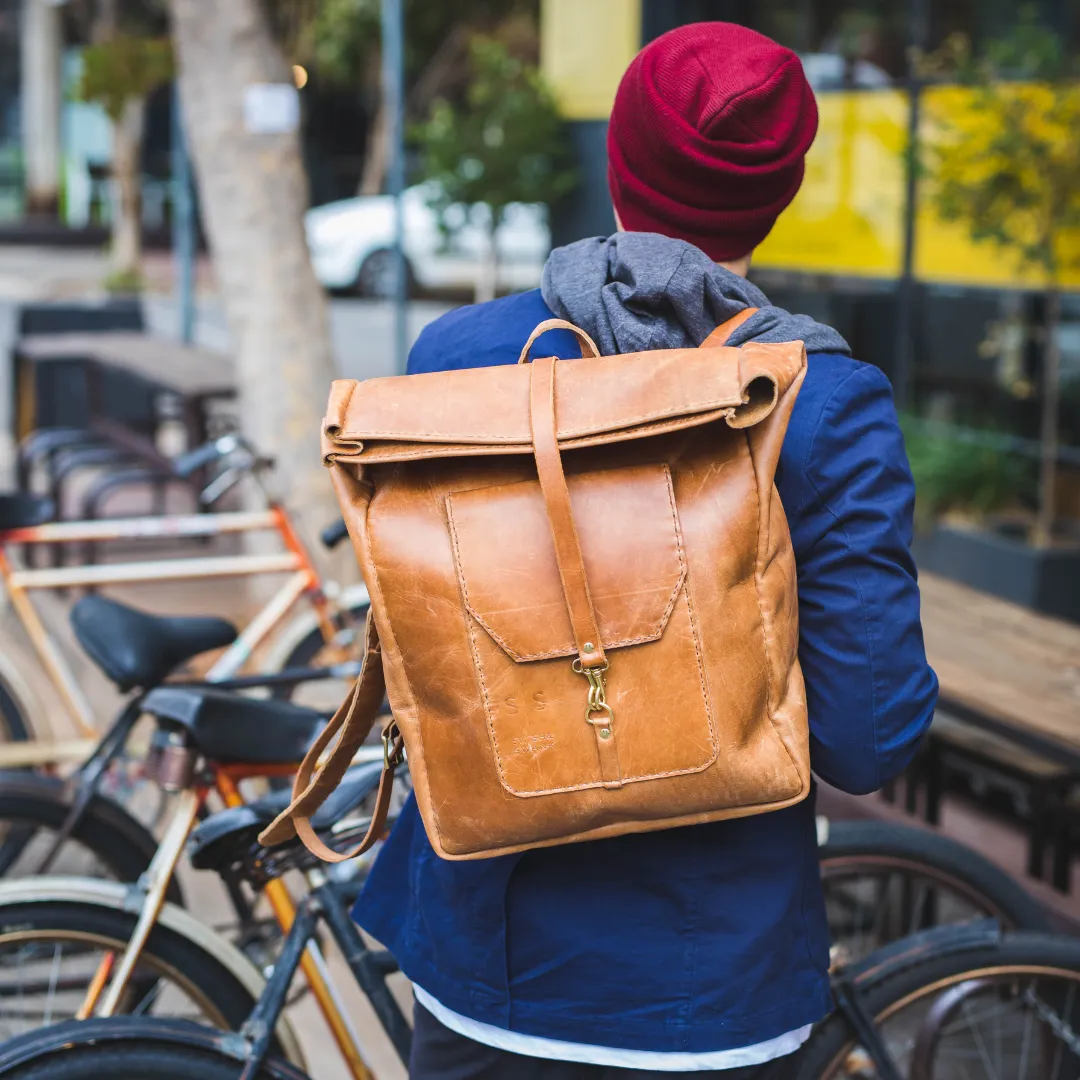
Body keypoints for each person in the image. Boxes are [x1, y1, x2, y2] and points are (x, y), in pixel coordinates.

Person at [355, 21, 938, 1079]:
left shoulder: (455, 361)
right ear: (780, 191)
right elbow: (867, 735)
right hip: (706, 989)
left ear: (618, 156)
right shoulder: (823, 403)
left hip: (481, 958)